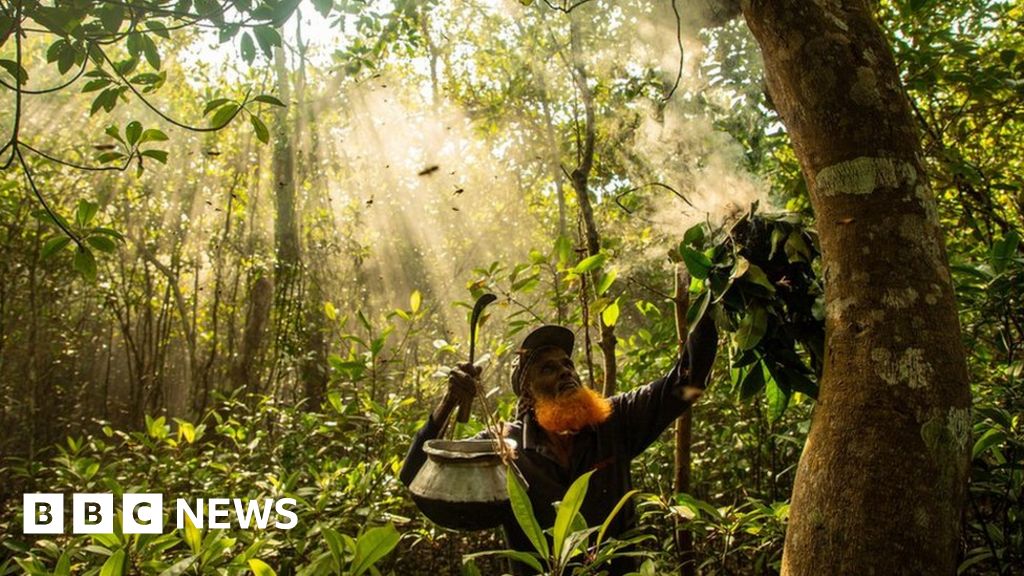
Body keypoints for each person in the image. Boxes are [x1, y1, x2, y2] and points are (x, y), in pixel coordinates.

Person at [400, 316, 717, 575]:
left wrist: (712, 298)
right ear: (527, 393)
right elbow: (415, 476)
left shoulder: (614, 422)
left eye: (568, 364)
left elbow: (687, 382)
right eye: (548, 368)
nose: (566, 371)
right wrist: (449, 402)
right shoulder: (504, 446)